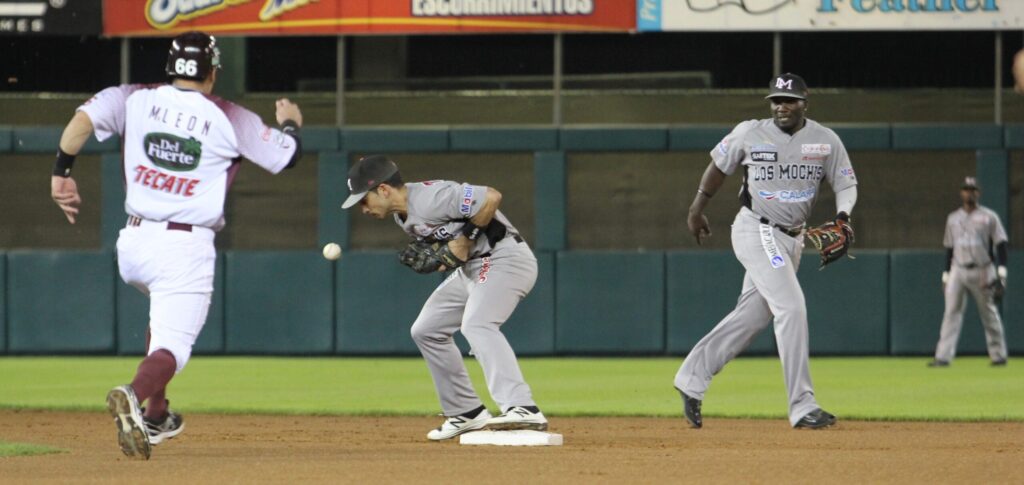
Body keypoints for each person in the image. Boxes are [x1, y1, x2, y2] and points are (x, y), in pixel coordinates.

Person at [50, 31, 303, 459]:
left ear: (171, 67)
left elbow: (80, 124)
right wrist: (291, 121)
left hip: (132, 242)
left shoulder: (131, 97)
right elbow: (288, 155)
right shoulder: (226, 114)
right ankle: (133, 395)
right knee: (174, 347)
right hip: (183, 245)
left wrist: (62, 173)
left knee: (161, 316)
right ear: (213, 71)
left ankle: (157, 413)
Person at [674, 73, 858, 430]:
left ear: (805, 102)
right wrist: (697, 208)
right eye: (776, 100)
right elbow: (718, 168)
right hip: (756, 229)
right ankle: (802, 405)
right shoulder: (750, 131)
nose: (781, 106)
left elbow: (846, 183)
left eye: (789, 100)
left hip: (793, 239)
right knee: (791, 307)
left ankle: (690, 378)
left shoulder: (825, 140)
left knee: (752, 317)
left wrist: (842, 216)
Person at [341, 155, 547, 440]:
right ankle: (466, 412)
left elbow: (490, 197)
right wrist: (442, 260)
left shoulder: (431, 197)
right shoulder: (403, 217)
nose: (362, 208)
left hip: (505, 258)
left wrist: (462, 242)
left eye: (364, 200)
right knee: (426, 330)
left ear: (384, 190)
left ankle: (522, 406)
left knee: (477, 324)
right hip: (473, 268)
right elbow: (451, 253)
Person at [928, 177, 1009, 368]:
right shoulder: (953, 218)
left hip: (982, 269)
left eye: (972, 189)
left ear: (978, 193)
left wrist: (1001, 275)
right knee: (951, 313)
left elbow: (1002, 244)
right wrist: (946, 275)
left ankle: (999, 355)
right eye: (966, 189)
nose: (969, 192)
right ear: (961, 192)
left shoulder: (989, 217)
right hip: (958, 269)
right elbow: (949, 248)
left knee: (989, 313)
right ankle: (942, 357)